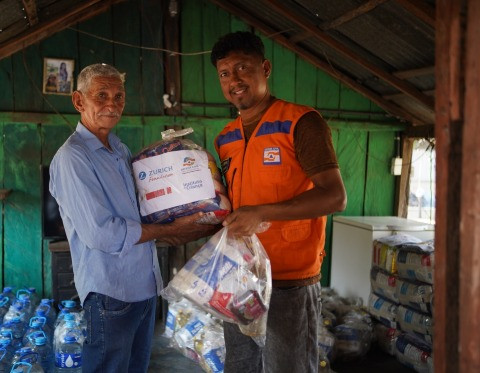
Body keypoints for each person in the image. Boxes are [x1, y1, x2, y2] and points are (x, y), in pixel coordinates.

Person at [49, 63, 215, 373]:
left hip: (145, 289)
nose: (111, 104)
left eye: (119, 96)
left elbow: (144, 210)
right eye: (101, 95)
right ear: (78, 101)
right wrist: (169, 228)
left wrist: (190, 210)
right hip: (111, 294)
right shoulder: (73, 157)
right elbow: (102, 234)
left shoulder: (120, 150)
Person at [211, 32, 347, 373]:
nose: (234, 80)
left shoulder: (301, 122)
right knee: (240, 365)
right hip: (239, 275)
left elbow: (334, 196)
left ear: (265, 68)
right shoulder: (225, 138)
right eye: (225, 73)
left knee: (288, 368)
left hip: (288, 280)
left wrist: (262, 213)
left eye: (243, 67)